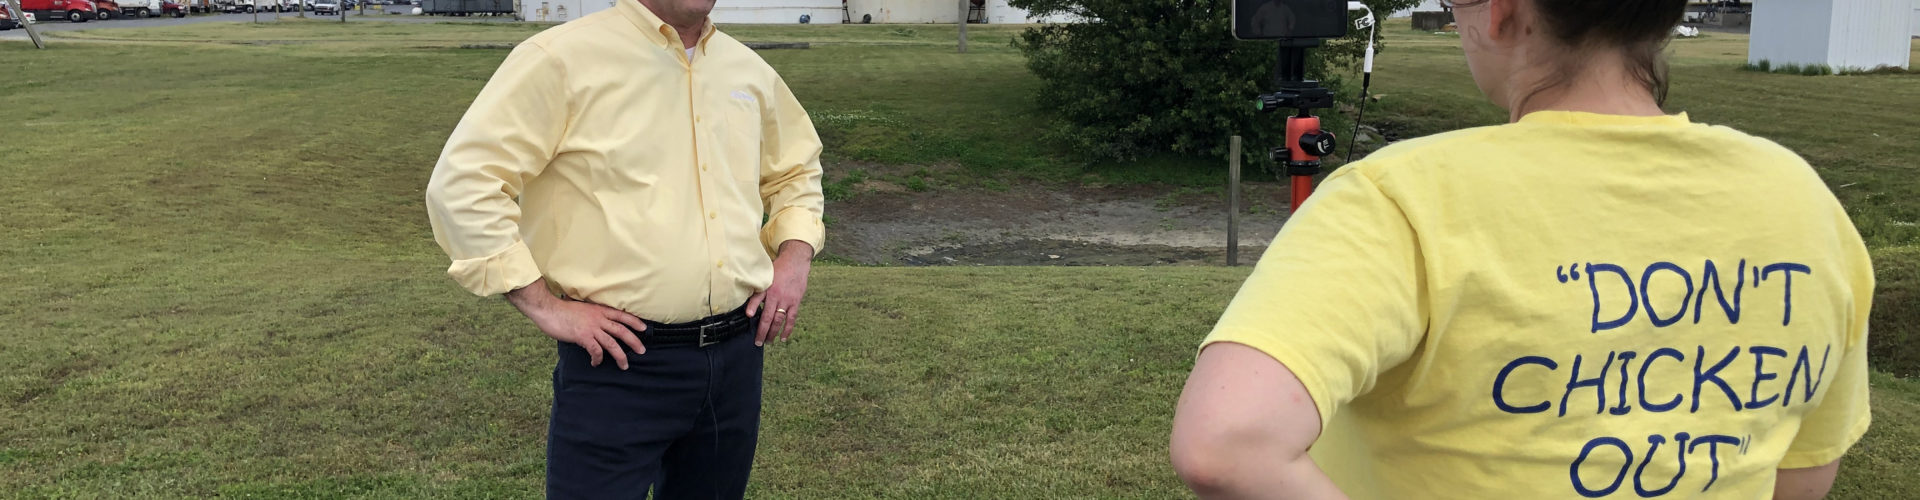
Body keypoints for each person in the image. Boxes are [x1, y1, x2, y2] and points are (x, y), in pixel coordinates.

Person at [1170, 0, 1872, 499]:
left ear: (1503, 11)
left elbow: (1228, 443)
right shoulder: (1803, 200)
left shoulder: (1402, 197)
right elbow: (1801, 474)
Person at [422, 0, 826, 496]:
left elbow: (796, 170)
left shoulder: (748, 71)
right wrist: (542, 304)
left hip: (737, 358)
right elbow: (464, 184)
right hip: (617, 363)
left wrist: (795, 256)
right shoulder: (560, 60)